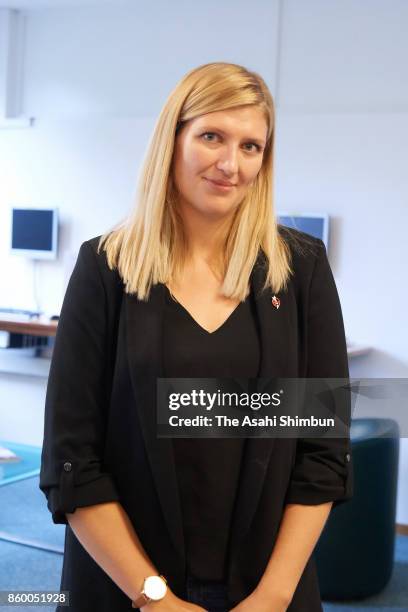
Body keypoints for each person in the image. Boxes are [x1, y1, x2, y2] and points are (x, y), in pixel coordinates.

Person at [39, 62, 353, 612]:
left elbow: (323, 454)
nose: (231, 164)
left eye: (251, 146)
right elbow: (72, 462)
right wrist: (156, 599)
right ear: (174, 140)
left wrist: (273, 598)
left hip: (267, 590)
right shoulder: (104, 269)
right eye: (212, 136)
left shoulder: (300, 270)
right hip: (127, 589)